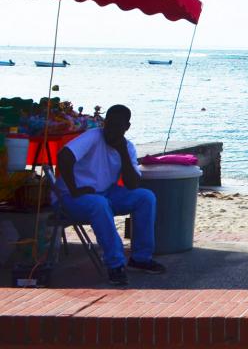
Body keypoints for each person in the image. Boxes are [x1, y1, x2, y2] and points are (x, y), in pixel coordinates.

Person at [55, 104, 165, 286]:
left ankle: (141, 258)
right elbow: (64, 156)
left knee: (146, 197)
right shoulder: (93, 136)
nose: (111, 131)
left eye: (117, 126)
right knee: (99, 204)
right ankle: (115, 264)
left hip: (105, 193)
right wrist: (74, 189)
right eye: (109, 125)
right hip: (71, 197)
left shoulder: (127, 147)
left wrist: (121, 151)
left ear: (126, 127)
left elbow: (132, 184)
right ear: (104, 123)